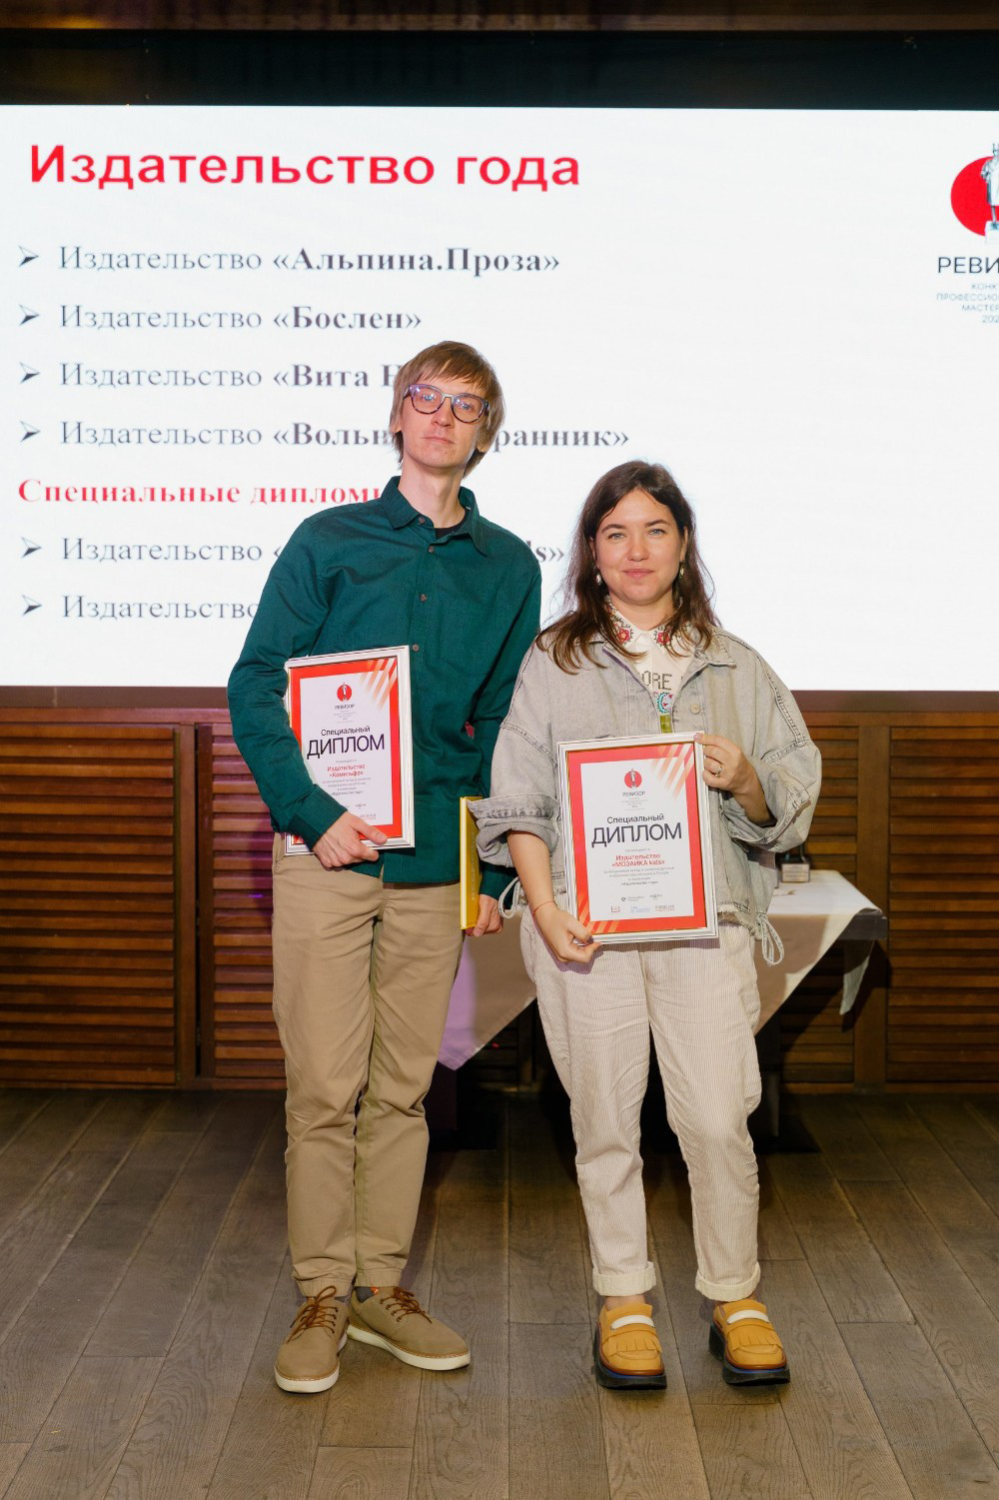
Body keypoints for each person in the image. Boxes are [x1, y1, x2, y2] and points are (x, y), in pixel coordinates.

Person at [228, 341, 541, 1394]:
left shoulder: (509, 567)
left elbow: (502, 727)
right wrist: (311, 812)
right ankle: (321, 1291)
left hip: (436, 862)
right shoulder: (328, 541)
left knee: (402, 1092)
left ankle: (378, 1287)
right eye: (426, 397)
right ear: (397, 416)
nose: (443, 416)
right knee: (324, 1088)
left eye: (467, 405)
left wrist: (493, 871)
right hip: (327, 854)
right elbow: (255, 681)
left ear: (486, 433)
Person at [474, 459, 820, 1390]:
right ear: (591, 551)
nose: (636, 549)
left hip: (705, 929)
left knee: (715, 1121)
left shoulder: (735, 663)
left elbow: (790, 796)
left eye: (654, 529)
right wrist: (545, 909)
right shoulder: (553, 661)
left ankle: (734, 1294)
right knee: (602, 1122)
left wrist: (744, 778)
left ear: (682, 544)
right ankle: (622, 1296)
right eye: (615, 532)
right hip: (584, 932)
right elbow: (519, 798)